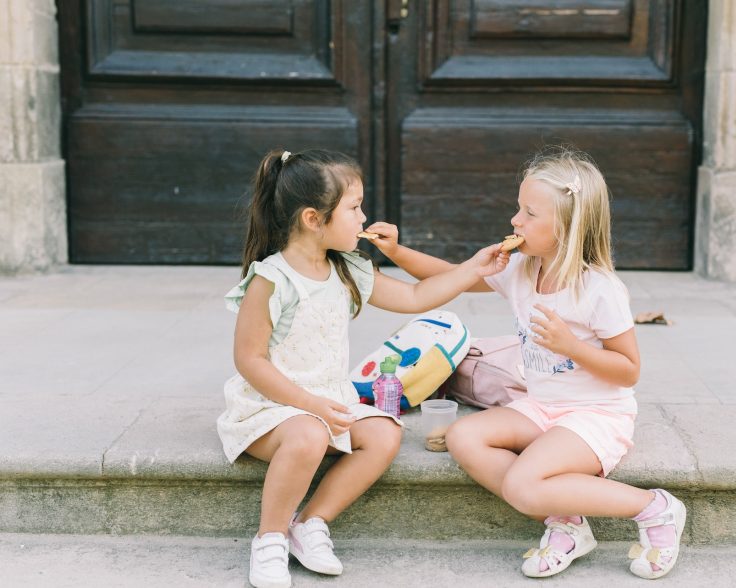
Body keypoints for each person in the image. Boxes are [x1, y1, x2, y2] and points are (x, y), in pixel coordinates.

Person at [366, 147, 686, 580]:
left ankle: (655, 508)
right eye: (519, 208)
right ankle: (567, 524)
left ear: (568, 227)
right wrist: (397, 251)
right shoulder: (520, 268)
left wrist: (571, 346)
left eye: (529, 213)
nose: (516, 220)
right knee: (464, 437)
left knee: (521, 485)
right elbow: (451, 274)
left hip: (595, 415)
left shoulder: (599, 289)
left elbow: (628, 369)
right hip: (542, 406)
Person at [217, 148, 509, 588]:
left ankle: (310, 523)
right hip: (272, 407)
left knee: (384, 432)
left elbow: (414, 299)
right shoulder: (272, 279)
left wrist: (471, 269)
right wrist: (306, 403)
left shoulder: (345, 267)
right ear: (313, 219)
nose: (363, 217)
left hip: (329, 400)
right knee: (308, 433)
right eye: (354, 208)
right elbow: (249, 359)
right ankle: (270, 537)